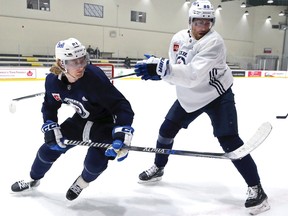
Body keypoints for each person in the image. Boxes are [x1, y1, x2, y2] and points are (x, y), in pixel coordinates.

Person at [134, 1, 270, 215]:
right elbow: (176, 73)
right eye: (198, 21)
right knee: (166, 131)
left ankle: (257, 189)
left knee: (230, 141)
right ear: (190, 21)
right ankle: (159, 167)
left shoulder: (214, 42)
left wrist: (165, 70)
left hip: (217, 94)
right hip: (189, 97)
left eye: (207, 22)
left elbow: (193, 75)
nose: (203, 26)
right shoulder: (178, 38)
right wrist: (162, 72)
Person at [11, 38, 135, 201]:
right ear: (61, 63)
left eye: (82, 59)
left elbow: (121, 105)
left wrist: (122, 131)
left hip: (104, 123)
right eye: (74, 62)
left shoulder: (94, 77)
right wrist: (50, 124)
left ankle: (82, 183)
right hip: (80, 120)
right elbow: (49, 106)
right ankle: (33, 180)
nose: (81, 66)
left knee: (95, 163)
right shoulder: (52, 82)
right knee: (47, 150)